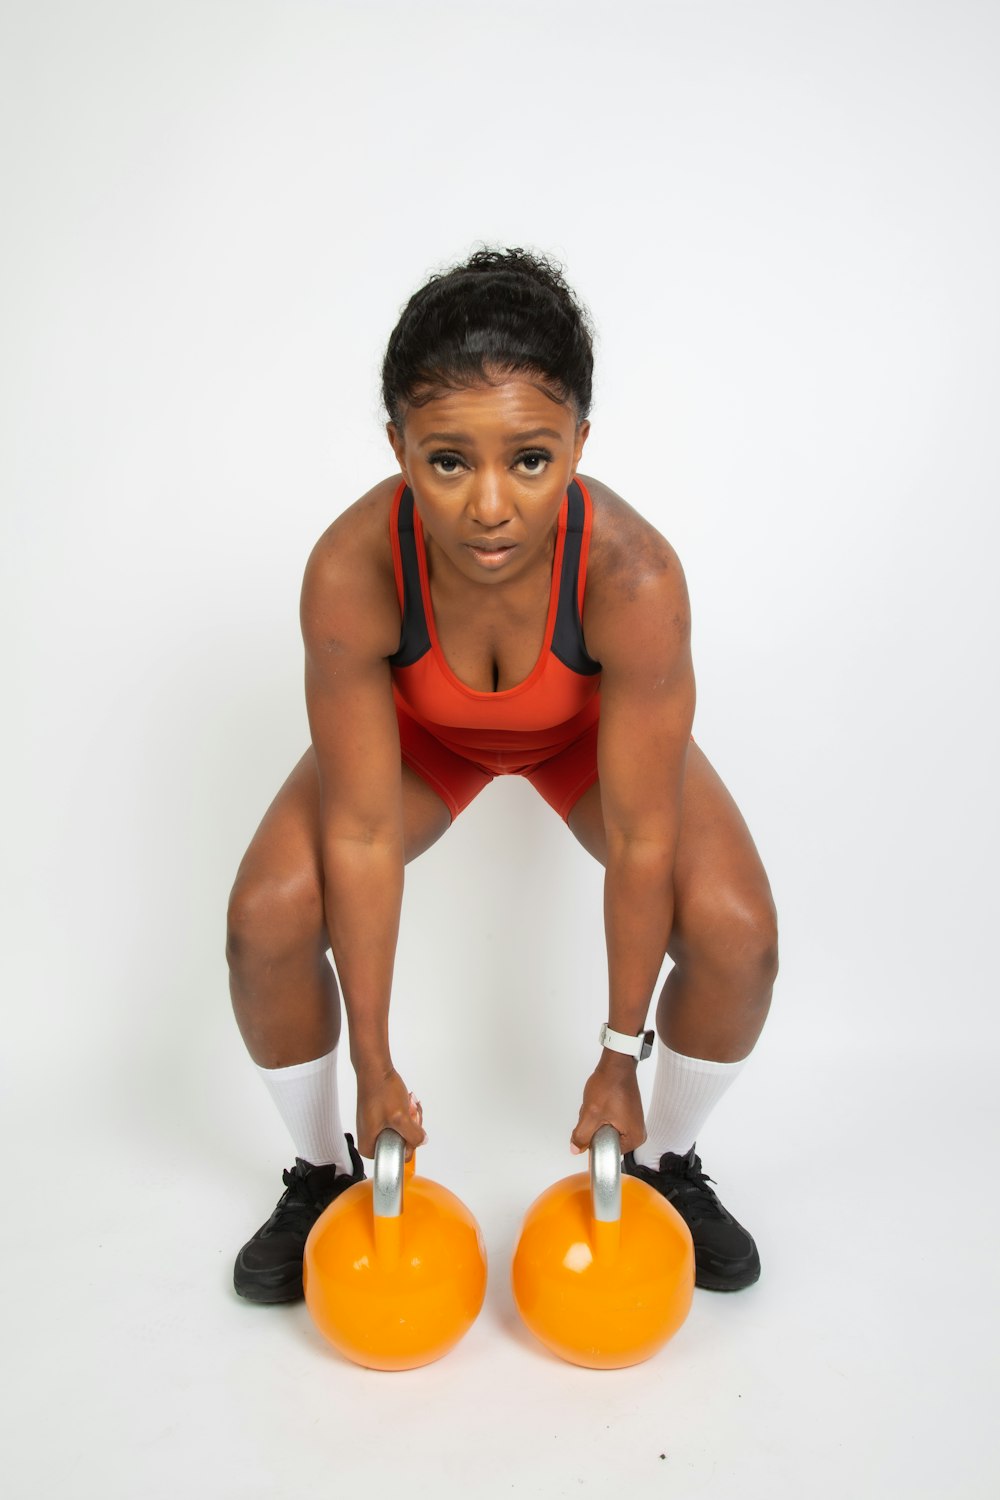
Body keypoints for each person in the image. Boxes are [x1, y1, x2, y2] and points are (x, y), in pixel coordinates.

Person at [227, 247, 778, 1304]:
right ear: (397, 447)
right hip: (420, 737)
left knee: (737, 938)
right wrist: (373, 1068)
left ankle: (664, 1166)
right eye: (446, 462)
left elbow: (645, 839)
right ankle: (318, 1174)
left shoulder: (634, 576)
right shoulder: (353, 570)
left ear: (579, 443)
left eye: (529, 459)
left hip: (585, 735)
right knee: (267, 916)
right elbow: (360, 833)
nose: (489, 506)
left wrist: (621, 1057)